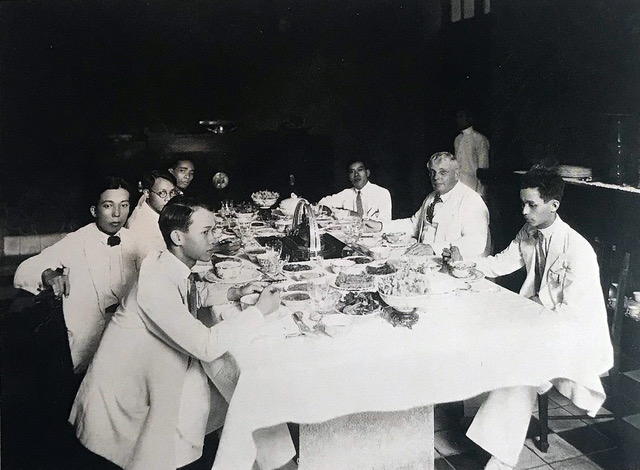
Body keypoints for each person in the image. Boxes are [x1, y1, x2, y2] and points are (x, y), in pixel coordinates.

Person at [69, 196, 296, 470]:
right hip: (128, 397)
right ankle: (272, 464)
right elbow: (205, 345)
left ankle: (272, 463)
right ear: (178, 237)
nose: (215, 238)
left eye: (214, 229)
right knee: (244, 387)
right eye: (206, 232)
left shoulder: (165, 262)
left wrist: (235, 291)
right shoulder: (155, 285)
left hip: (156, 372)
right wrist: (258, 312)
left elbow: (192, 293)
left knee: (245, 386)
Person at [446, 168, 613, 470]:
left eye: (531, 205)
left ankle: (500, 456)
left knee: (522, 355)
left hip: (575, 332)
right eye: (523, 203)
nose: (524, 211)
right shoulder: (529, 232)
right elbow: (502, 262)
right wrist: (467, 264)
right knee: (493, 332)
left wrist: (529, 321)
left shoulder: (578, 250)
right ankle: (495, 441)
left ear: (554, 205)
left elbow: (574, 313)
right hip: (541, 320)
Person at [13, 176, 145, 374]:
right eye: (108, 206)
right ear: (94, 210)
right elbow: (23, 271)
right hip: (87, 346)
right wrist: (48, 274)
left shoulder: (136, 241)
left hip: (128, 338)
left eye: (124, 205)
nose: (117, 214)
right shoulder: (76, 241)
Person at [383, 152, 490, 259]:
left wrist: (433, 249)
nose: (436, 177)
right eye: (433, 172)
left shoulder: (471, 200)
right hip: (425, 262)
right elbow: (413, 225)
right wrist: (381, 226)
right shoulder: (431, 197)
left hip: (454, 267)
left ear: (456, 174)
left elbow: (475, 243)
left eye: (443, 172)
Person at [319, 159, 392, 222]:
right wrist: (346, 213)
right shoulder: (346, 193)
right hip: (351, 236)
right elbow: (323, 203)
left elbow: (385, 224)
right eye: (352, 172)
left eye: (360, 170)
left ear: (367, 173)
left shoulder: (382, 193)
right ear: (349, 177)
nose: (356, 175)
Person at [126, 170, 180, 253]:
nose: (169, 199)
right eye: (162, 193)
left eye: (172, 192)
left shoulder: (154, 209)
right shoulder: (140, 225)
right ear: (147, 193)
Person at [454, 109, 490, 197]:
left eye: (461, 117)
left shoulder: (478, 139)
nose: (458, 120)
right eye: (457, 117)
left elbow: (483, 167)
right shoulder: (457, 139)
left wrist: (480, 193)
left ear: (469, 119)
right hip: (458, 185)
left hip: (472, 186)